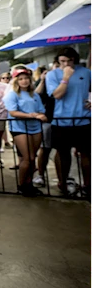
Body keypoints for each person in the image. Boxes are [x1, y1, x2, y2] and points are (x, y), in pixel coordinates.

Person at [45, 47, 92, 198]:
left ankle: (88, 185)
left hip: (83, 120)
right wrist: (65, 78)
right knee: (63, 154)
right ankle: (63, 183)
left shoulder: (85, 72)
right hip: (61, 121)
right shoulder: (52, 75)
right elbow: (57, 95)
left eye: (69, 61)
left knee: (86, 154)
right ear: (57, 61)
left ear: (74, 59)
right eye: (62, 61)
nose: (66, 63)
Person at [3, 66, 47, 197]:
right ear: (16, 81)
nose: (24, 81)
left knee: (33, 158)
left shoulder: (35, 95)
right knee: (27, 158)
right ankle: (22, 185)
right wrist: (32, 115)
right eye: (21, 79)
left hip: (35, 128)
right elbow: (13, 112)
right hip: (19, 128)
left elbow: (41, 110)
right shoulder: (12, 95)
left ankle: (29, 184)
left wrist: (39, 115)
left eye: (26, 78)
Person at [33, 63, 56, 187]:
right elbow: (35, 95)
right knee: (45, 148)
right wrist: (42, 80)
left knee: (61, 150)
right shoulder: (44, 81)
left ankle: (64, 178)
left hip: (63, 119)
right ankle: (40, 174)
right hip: (47, 119)